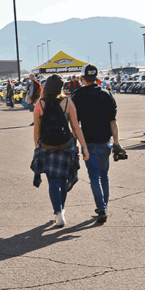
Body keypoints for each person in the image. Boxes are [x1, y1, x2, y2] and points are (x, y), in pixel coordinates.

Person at [31, 75, 89, 228]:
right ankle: (61, 210)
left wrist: (38, 147)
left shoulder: (40, 104)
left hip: (47, 146)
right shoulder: (67, 102)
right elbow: (75, 126)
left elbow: (36, 130)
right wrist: (84, 146)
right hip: (66, 145)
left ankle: (58, 212)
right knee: (63, 180)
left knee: (52, 181)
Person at [72, 64, 124, 224]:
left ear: (82, 78)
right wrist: (116, 143)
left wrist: (79, 144)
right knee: (104, 175)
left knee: (94, 176)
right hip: (105, 141)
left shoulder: (77, 96)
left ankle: (101, 208)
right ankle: (104, 206)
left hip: (88, 142)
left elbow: (75, 125)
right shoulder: (107, 94)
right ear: (96, 78)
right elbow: (113, 122)